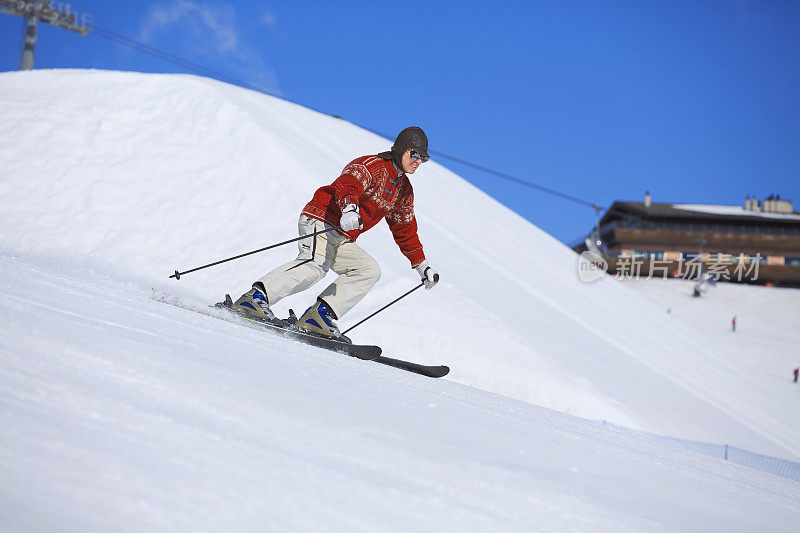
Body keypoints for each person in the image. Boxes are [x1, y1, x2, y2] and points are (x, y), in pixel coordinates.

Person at [232, 126, 439, 339]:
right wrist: (349, 208)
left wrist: (422, 266)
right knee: (315, 265)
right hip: (323, 220)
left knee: (368, 270)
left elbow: (404, 228)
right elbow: (349, 184)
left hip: (343, 235)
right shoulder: (372, 165)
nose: (417, 161)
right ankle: (255, 298)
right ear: (401, 149)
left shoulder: (404, 191)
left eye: (423, 158)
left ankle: (319, 316)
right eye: (414, 154)